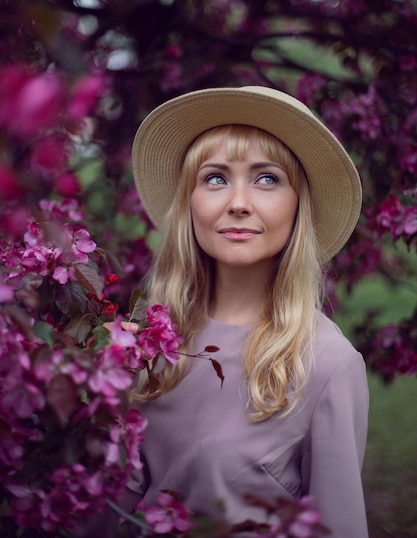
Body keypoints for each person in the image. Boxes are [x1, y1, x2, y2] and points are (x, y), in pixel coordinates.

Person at [90, 86, 369, 537]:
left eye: (267, 179)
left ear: (299, 207)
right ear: (190, 203)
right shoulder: (146, 339)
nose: (238, 203)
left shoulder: (327, 365)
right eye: (216, 178)